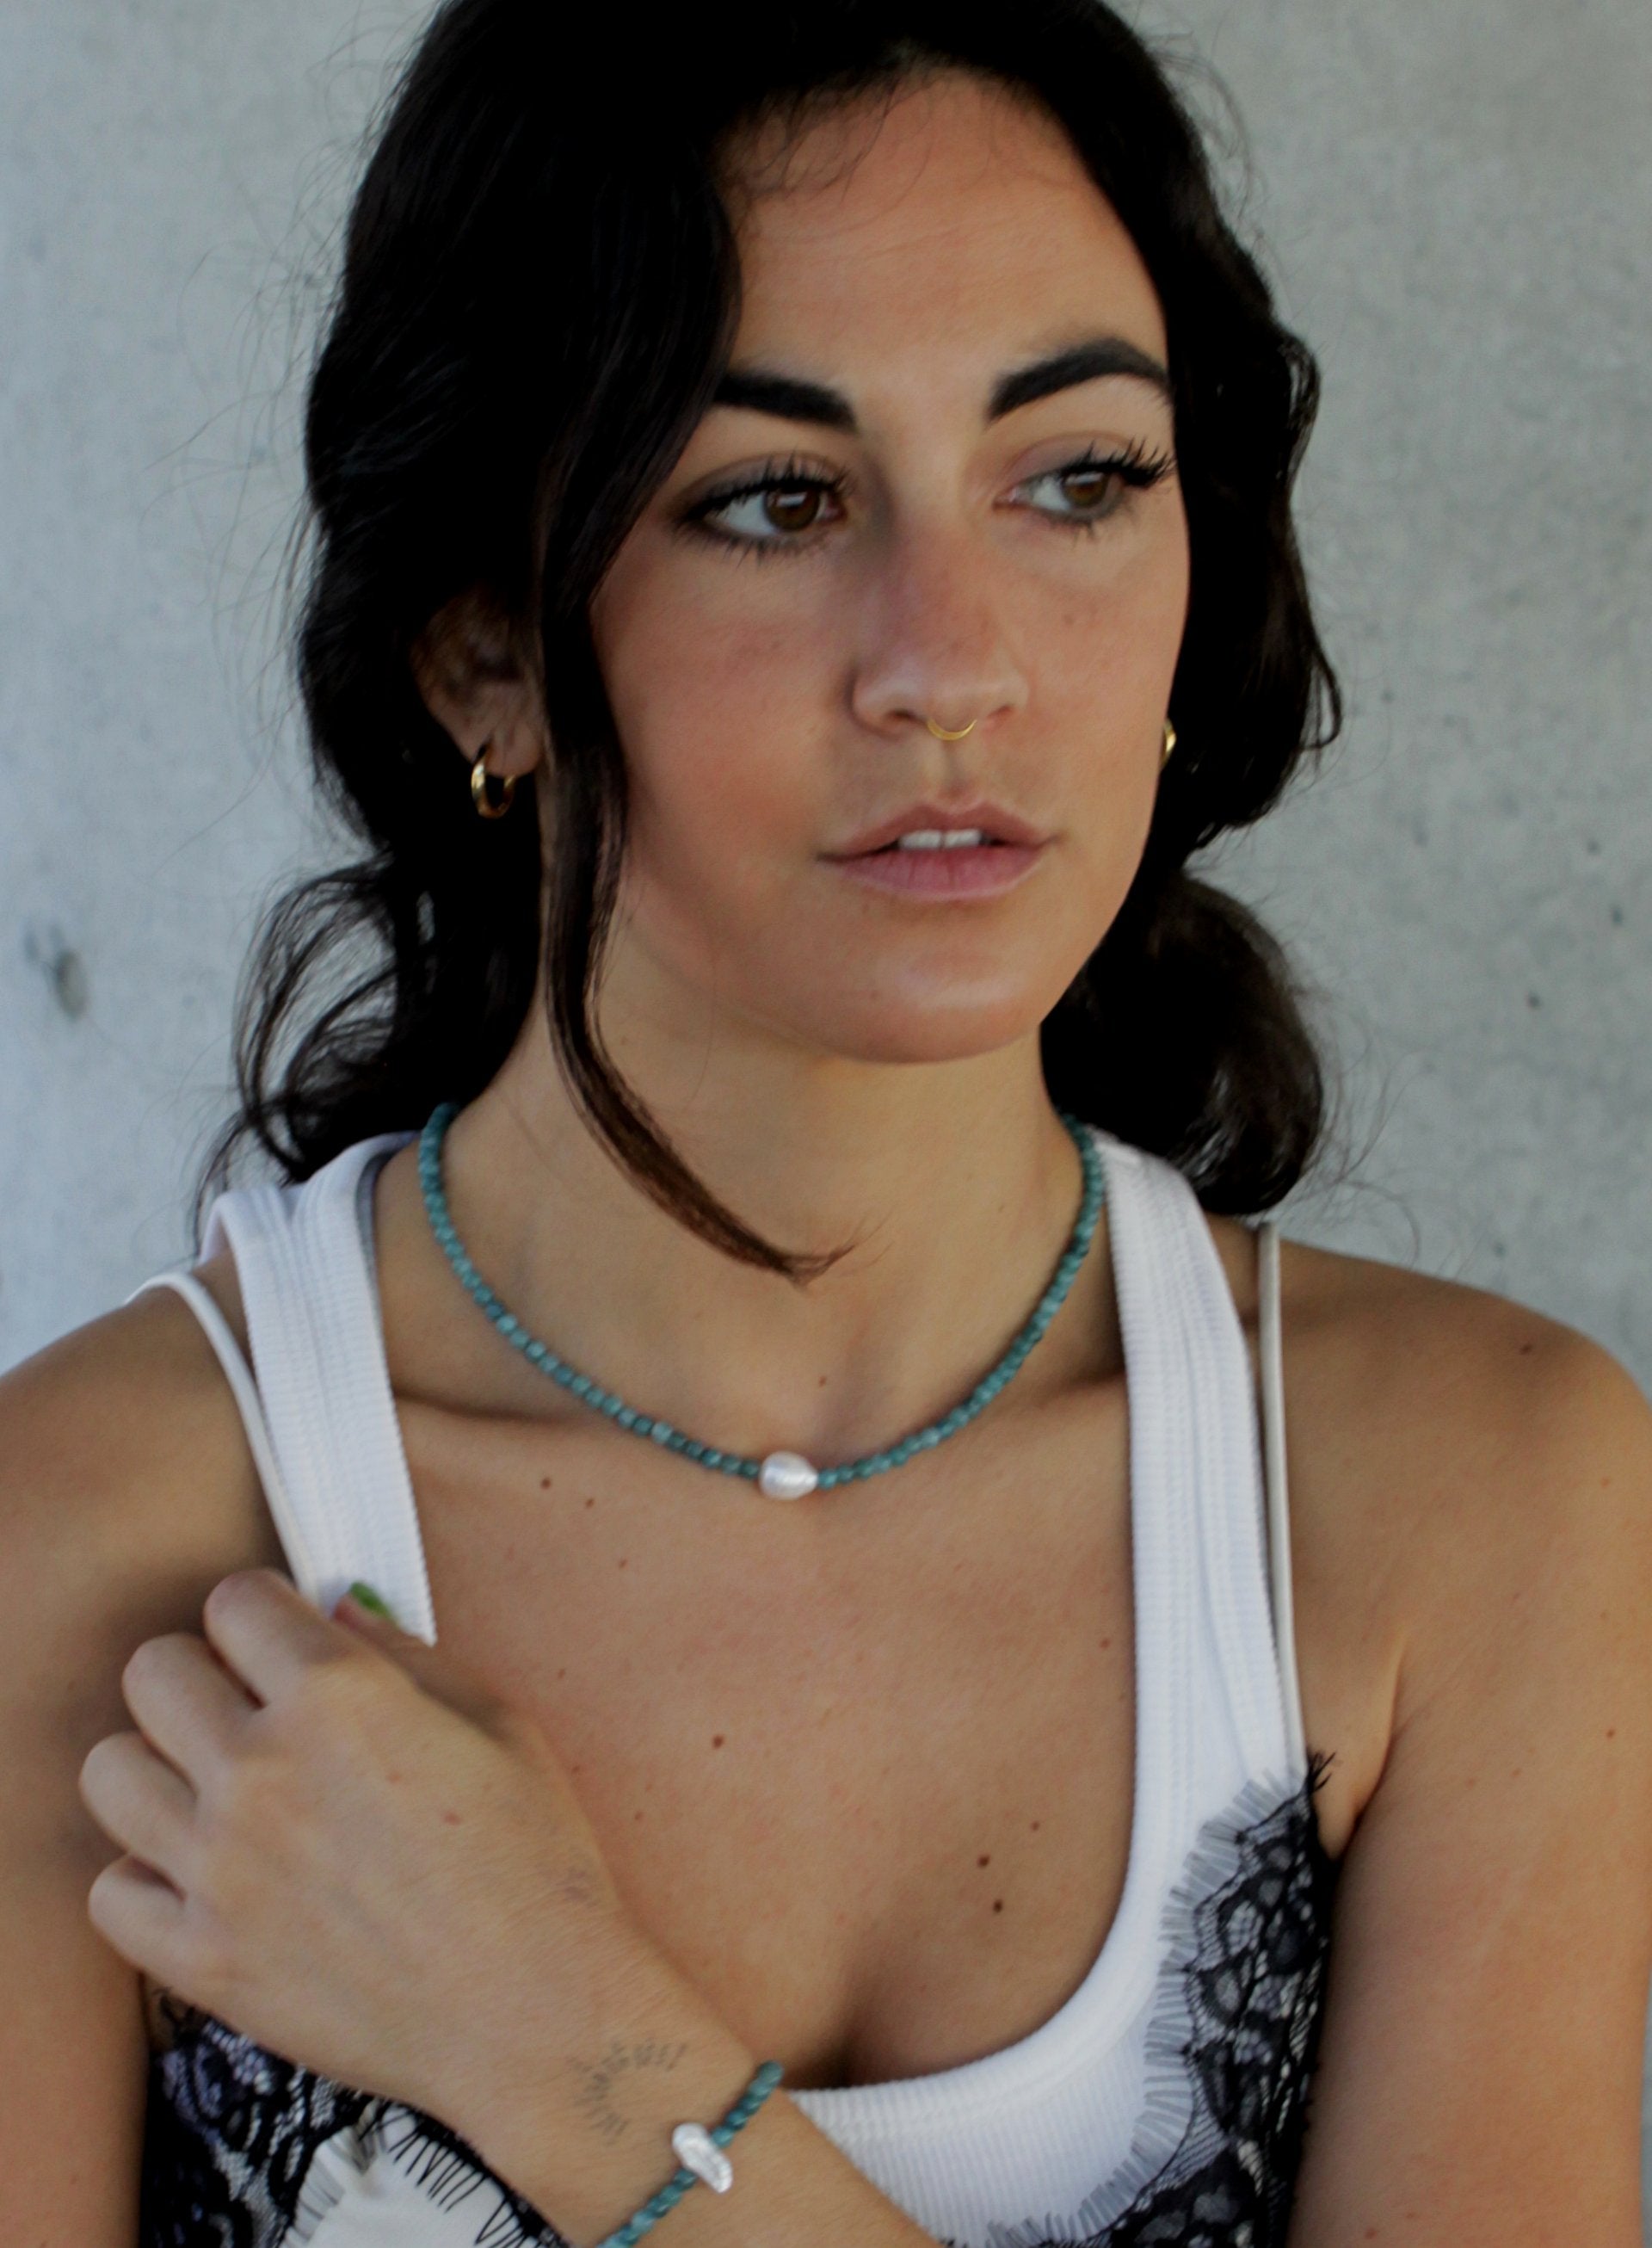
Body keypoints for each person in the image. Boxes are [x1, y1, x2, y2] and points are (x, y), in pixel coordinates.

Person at [3, 3, 1649, 2244]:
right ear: (482, 643)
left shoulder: (1473, 1505)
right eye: (776, 497)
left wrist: (562, 2044)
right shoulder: (88, 1558)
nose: (949, 658)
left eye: (1076, 475)